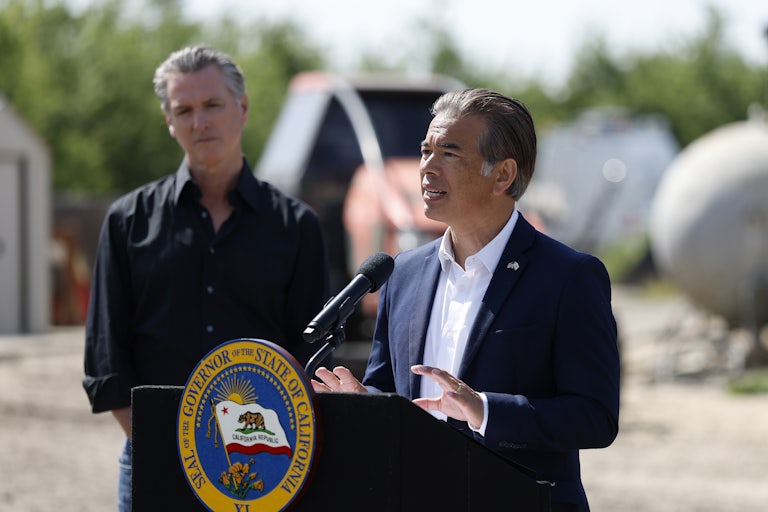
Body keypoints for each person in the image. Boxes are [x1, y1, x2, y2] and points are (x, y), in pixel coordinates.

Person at [312, 88, 620, 511]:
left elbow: (594, 417)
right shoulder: (402, 273)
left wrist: (484, 410)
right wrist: (366, 404)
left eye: (449, 154)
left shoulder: (569, 277)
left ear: (503, 175)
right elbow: (392, 393)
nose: (427, 168)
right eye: (425, 151)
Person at [82, 45, 329, 512]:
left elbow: (310, 359)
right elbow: (105, 359)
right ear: (169, 120)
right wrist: (171, 447)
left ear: (243, 107)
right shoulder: (126, 222)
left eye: (213, 105)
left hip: (263, 468)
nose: (200, 122)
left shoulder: (297, 228)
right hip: (154, 461)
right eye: (184, 110)